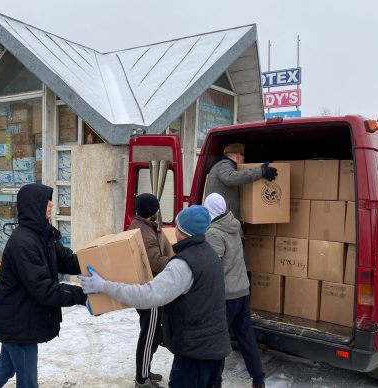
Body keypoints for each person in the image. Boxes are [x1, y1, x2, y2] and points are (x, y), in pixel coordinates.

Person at [79, 206, 231, 388]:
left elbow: (148, 296)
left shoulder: (183, 265)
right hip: (215, 347)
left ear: (181, 230)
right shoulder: (210, 254)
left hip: (194, 354)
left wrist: (104, 286)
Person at [0, 183, 87, 388]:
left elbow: (67, 261)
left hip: (22, 319)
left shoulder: (44, 234)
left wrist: (98, 262)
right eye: (47, 202)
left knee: (5, 367)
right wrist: (82, 295)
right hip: (20, 323)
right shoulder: (23, 242)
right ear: (34, 206)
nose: (51, 205)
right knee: (28, 383)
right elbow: (43, 288)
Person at [203, 193, 265, 388]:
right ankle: (258, 379)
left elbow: (214, 266)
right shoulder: (233, 225)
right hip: (241, 291)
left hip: (226, 295)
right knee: (246, 337)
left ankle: (214, 382)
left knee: (218, 342)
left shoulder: (213, 232)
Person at [129, 193, 175, 387]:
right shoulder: (146, 233)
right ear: (153, 211)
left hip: (144, 289)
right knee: (149, 334)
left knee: (152, 333)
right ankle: (142, 380)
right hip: (150, 291)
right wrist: (176, 259)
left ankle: (144, 371)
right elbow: (155, 262)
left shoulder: (140, 226)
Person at [204, 143, 277, 221]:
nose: (244, 159)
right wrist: (261, 171)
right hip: (222, 220)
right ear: (237, 156)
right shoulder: (224, 165)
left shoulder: (224, 165)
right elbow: (231, 178)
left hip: (223, 218)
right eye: (243, 156)